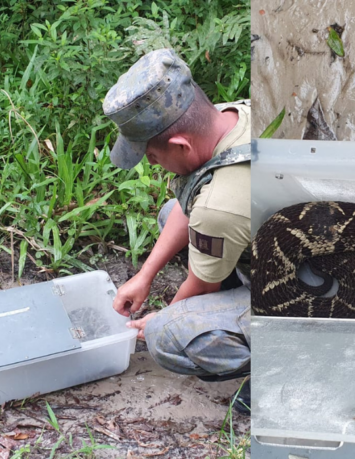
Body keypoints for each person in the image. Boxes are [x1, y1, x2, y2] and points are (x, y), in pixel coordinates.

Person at [102, 48, 251, 415]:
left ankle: (288, 363)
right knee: (173, 211)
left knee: (167, 336)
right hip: (288, 244)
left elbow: (200, 286)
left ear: (180, 145)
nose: (153, 165)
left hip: (320, 293)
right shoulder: (236, 115)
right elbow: (193, 204)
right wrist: (144, 276)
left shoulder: (222, 203)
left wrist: (166, 318)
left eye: (152, 157)